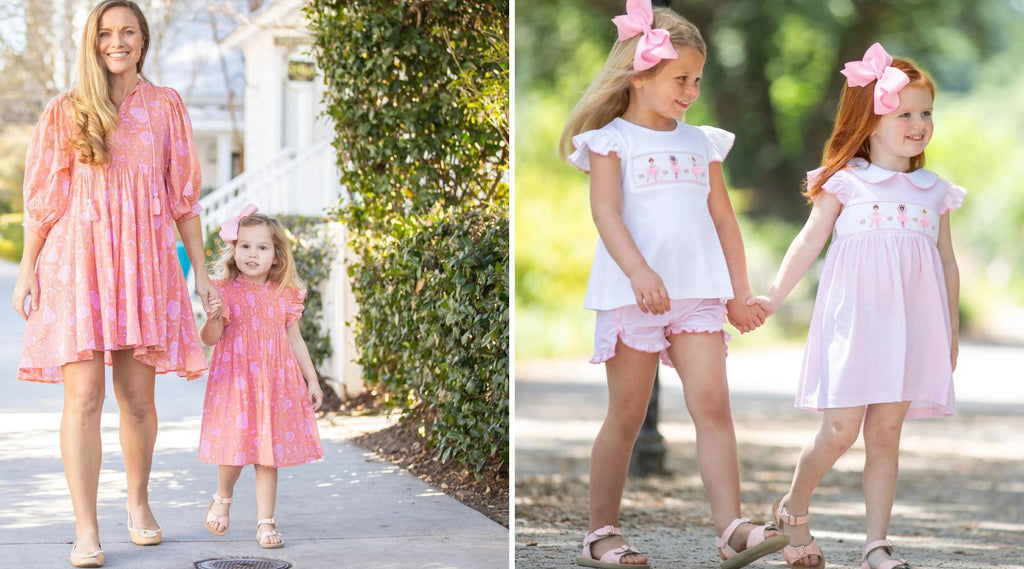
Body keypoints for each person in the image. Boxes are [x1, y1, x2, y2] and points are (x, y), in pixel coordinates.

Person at [558, 1, 789, 567]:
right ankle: (602, 532)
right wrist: (639, 272)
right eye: (680, 78)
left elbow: (724, 220)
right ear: (639, 75)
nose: (691, 90)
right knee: (627, 415)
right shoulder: (612, 141)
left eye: (697, 80)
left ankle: (731, 529)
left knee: (714, 406)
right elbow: (606, 214)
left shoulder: (701, 142)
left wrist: (738, 292)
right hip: (633, 294)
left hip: (699, 297)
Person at [12, 1, 217, 566]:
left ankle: (138, 503)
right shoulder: (67, 110)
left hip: (145, 265)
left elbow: (184, 198)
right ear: (92, 40)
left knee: (137, 400)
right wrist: (27, 269)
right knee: (81, 398)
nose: (116, 41)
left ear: (143, 40)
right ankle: (86, 529)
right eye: (106, 32)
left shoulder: (166, 106)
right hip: (80, 265)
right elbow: (44, 200)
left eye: (128, 31)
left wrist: (201, 272)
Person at [749, 43, 963, 569]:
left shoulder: (934, 191)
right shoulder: (845, 182)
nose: (919, 123)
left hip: (910, 330)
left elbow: (948, 264)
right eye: (904, 113)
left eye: (926, 112)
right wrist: (772, 296)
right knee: (840, 432)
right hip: (855, 327)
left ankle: (876, 545)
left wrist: (950, 333)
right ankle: (793, 509)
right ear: (869, 122)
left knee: (886, 434)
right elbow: (806, 242)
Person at [198, 205, 324, 549]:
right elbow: (209, 339)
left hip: (274, 383)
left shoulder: (285, 294)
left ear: (276, 256)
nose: (252, 254)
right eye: (245, 246)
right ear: (233, 250)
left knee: (268, 453)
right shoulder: (223, 290)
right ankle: (223, 498)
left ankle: (265, 522)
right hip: (236, 382)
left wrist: (311, 379)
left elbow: (295, 339)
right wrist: (213, 316)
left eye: (262, 247)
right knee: (236, 448)